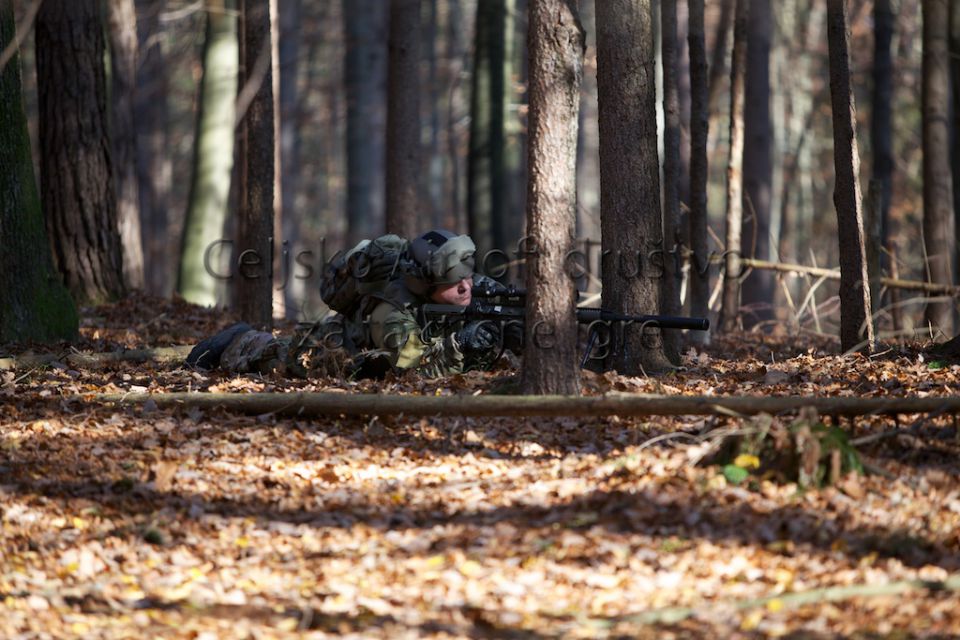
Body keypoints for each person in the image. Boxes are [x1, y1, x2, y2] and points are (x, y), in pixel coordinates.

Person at [186, 230, 512, 379]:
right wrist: (461, 345)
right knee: (279, 358)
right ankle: (238, 339)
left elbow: (495, 301)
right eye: (454, 282)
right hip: (335, 353)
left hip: (377, 348)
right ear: (428, 284)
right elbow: (415, 372)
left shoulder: (459, 284)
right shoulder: (391, 312)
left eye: (468, 276)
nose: (465, 285)